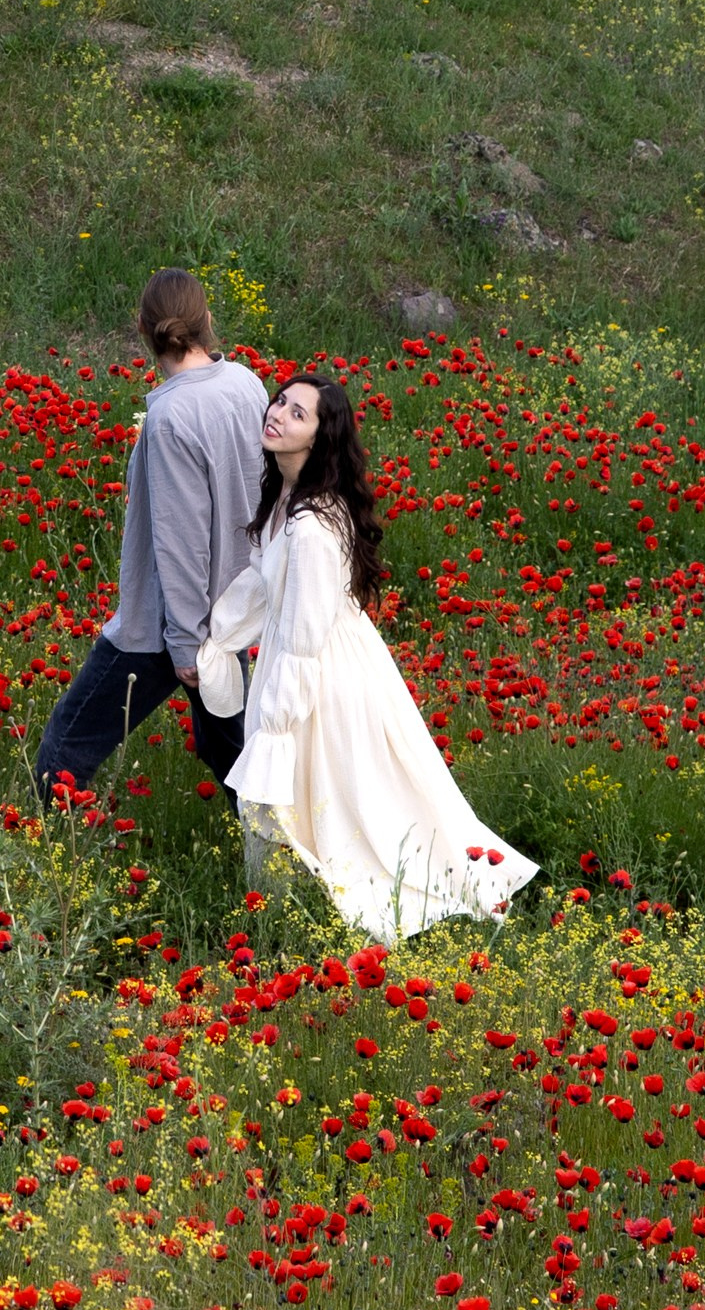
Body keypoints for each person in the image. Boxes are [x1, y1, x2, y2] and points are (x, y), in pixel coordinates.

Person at [196, 371, 536, 939]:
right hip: (307, 659)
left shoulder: (311, 527)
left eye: (296, 413)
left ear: (319, 438)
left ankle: (299, 911)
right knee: (335, 800)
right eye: (279, 402)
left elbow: (303, 639)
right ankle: (280, 907)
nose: (276, 413)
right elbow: (262, 585)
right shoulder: (288, 500)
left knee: (345, 798)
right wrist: (218, 639)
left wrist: (277, 726)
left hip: (323, 677)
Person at [34, 269, 267, 809]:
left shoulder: (170, 417)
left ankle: (43, 848)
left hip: (170, 628)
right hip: (234, 609)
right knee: (234, 754)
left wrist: (186, 641)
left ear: (143, 329)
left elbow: (182, 540)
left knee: (65, 748)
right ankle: (281, 856)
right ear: (206, 321)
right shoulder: (246, 384)